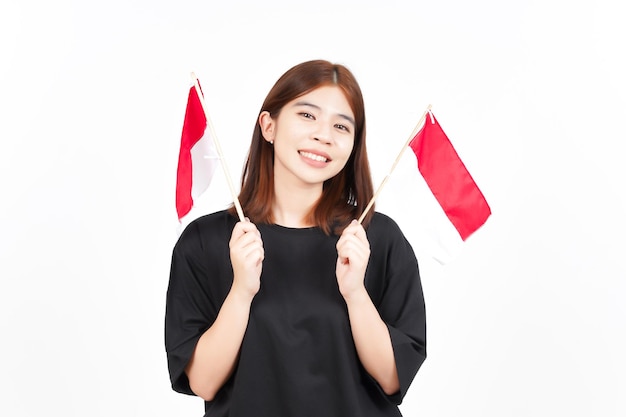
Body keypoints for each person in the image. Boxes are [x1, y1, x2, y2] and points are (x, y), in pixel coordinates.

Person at [165, 59, 426, 417]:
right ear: (268, 126)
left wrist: (355, 293)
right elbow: (203, 383)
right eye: (307, 116)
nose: (324, 135)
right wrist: (241, 290)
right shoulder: (205, 241)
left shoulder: (376, 239)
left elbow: (393, 378)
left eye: (341, 125)